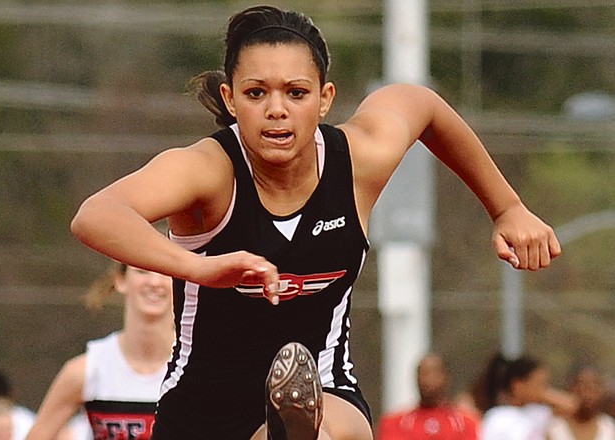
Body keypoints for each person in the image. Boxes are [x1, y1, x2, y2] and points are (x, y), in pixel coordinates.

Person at [69, 5, 562, 439]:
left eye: (296, 92)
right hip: (204, 410)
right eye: (256, 93)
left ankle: (293, 430)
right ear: (231, 97)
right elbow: (97, 215)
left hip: (323, 388)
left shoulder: (357, 162)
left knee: (332, 429)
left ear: (325, 98)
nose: (277, 110)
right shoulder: (208, 171)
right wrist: (196, 268)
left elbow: (422, 104)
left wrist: (508, 208)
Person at [25, 263, 174, 440]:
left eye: (166, 272)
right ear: (120, 280)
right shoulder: (86, 370)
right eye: (142, 271)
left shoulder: (200, 367)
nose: (155, 282)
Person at [474, 352, 577, 440]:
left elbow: (571, 406)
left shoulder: (537, 412)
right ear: (518, 385)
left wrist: (542, 394)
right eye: (539, 384)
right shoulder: (498, 418)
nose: (544, 389)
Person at [376, 352, 479, 439]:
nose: (428, 379)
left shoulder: (465, 423)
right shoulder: (395, 423)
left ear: (447, 378)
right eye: (423, 373)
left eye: (434, 372)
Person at [546, 363, 615, 440]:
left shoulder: (609, 427)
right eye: (582, 385)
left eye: (594, 386)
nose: (588, 393)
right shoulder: (554, 426)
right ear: (570, 387)